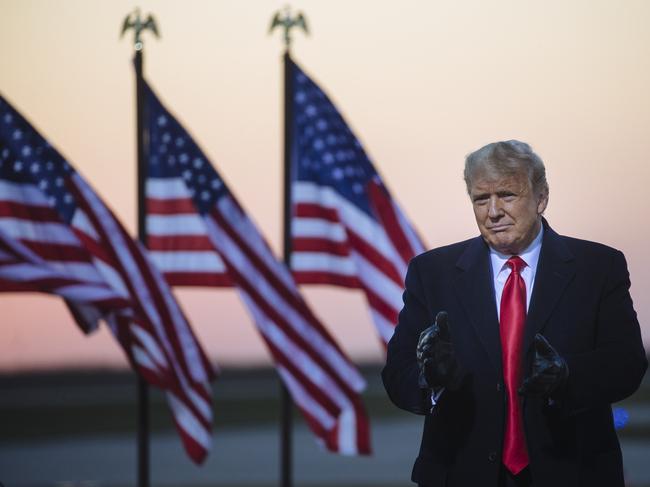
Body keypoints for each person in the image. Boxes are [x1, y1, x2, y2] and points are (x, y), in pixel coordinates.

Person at [382, 140, 647, 487]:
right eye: (481, 199)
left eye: (507, 195)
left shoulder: (598, 268)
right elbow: (396, 374)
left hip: (572, 472)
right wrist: (430, 377)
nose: (493, 211)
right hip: (460, 474)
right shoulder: (432, 273)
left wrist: (567, 376)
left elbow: (627, 365)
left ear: (541, 199)